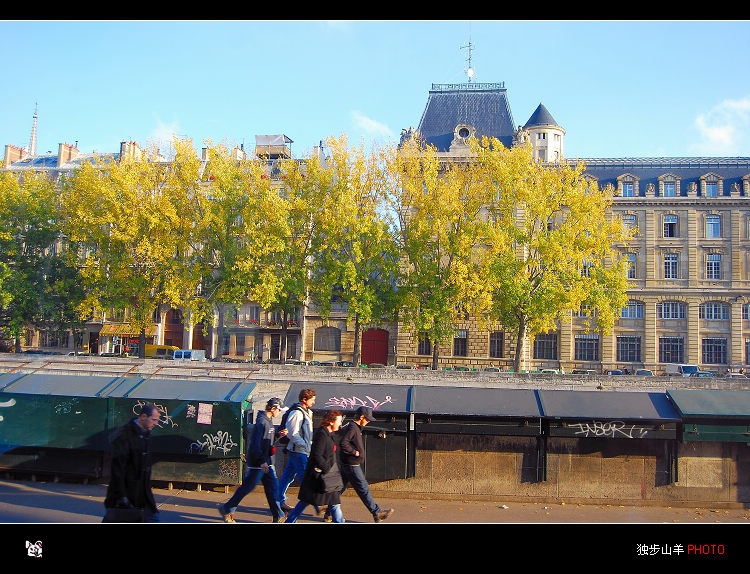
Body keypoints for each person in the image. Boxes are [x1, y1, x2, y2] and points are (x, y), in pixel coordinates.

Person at [217, 397, 288, 523]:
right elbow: (255, 445)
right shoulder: (262, 423)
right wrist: (262, 461)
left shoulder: (268, 421)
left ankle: (279, 515)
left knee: (272, 489)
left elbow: (267, 442)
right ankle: (227, 508)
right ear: (273, 409)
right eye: (279, 410)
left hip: (266, 462)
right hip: (259, 463)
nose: (280, 412)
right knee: (248, 487)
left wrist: (278, 435)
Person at [325, 406, 393, 523]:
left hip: (347, 463)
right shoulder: (353, 428)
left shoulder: (353, 426)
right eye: (367, 419)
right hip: (351, 464)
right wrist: (354, 452)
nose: (368, 421)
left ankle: (329, 513)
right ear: (361, 417)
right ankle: (377, 513)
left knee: (339, 488)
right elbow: (344, 443)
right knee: (363, 488)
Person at [103, 402, 161, 522]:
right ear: (144, 417)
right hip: (127, 495)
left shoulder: (145, 435)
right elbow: (118, 469)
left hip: (142, 495)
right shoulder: (125, 435)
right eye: (154, 420)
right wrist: (121, 496)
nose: (156, 423)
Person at [285, 409, 345, 523]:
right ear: (331, 422)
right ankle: (289, 521)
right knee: (306, 501)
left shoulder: (329, 434)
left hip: (326, 476)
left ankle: (290, 521)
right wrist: (328, 469)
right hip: (318, 477)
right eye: (339, 421)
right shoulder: (322, 435)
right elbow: (317, 456)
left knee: (334, 503)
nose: (340, 423)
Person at [277, 387, 316, 513]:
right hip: (298, 451)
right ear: (304, 400)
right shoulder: (297, 413)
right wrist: (305, 445)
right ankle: (318, 505)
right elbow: (293, 434)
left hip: (299, 450)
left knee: (288, 476)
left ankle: (278, 501)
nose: (314, 402)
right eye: (312, 400)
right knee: (306, 479)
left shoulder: (307, 413)